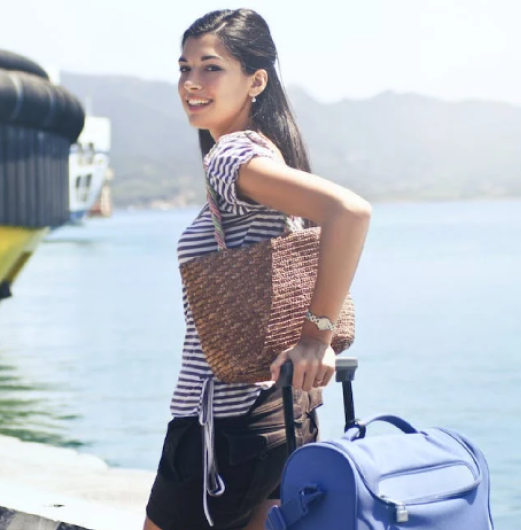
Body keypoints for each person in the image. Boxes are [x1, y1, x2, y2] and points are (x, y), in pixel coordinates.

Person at [143, 9, 371, 530]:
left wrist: (316, 337)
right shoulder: (273, 152)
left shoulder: (230, 156)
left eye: (211, 68)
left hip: (222, 425)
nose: (191, 83)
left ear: (256, 81)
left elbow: (349, 212)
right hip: (285, 413)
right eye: (184, 68)